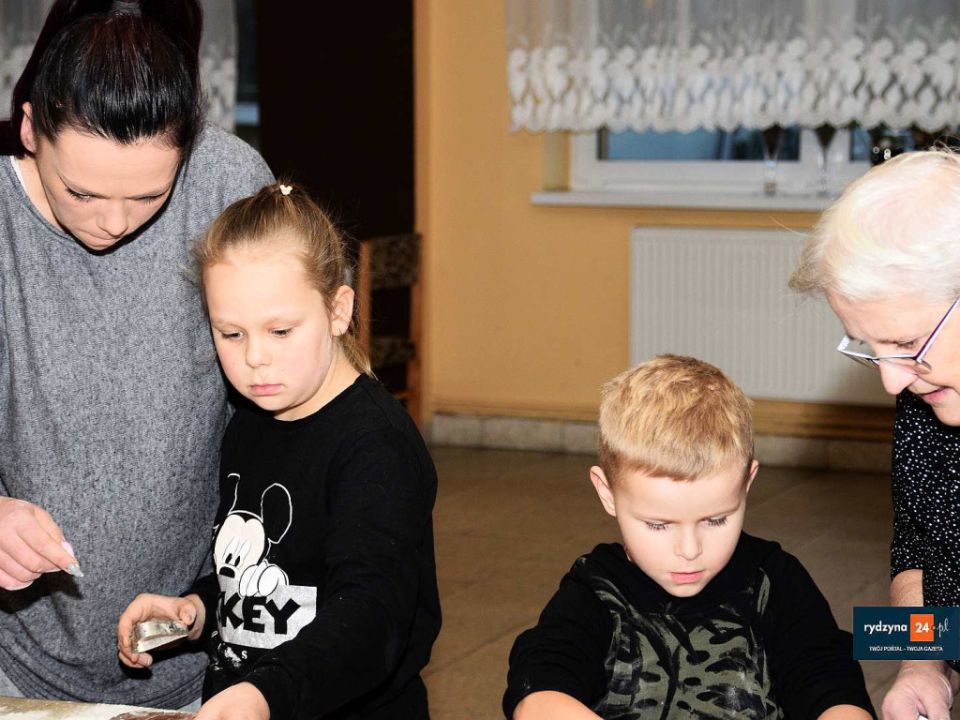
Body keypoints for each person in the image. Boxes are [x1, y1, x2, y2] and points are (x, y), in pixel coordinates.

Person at [0, 0, 273, 709]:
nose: (114, 223)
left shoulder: (226, 182)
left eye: (151, 194)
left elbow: (302, 392)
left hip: (198, 647)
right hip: (11, 662)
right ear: (29, 130)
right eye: (81, 191)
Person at [116, 182, 441, 720]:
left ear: (339, 310)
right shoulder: (250, 423)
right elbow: (264, 575)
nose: (255, 359)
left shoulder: (376, 446)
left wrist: (267, 693)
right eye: (231, 334)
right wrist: (195, 611)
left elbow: (371, 617)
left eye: (281, 330)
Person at [503, 355, 875, 720]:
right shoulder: (595, 592)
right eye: (658, 525)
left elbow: (829, 679)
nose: (690, 550)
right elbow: (538, 696)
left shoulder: (774, 582)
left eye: (715, 520)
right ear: (607, 493)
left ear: (747, 483)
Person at [790, 149, 960, 720]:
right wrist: (921, 666)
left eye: (906, 343)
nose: (891, 381)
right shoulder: (927, 398)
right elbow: (917, 547)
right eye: (871, 347)